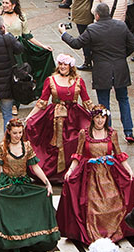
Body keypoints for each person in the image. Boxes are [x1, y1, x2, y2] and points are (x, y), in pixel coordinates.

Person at [56, 106, 134, 244]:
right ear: (92, 119)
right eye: (97, 117)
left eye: (102, 117)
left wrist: (129, 169)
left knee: (115, 201)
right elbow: (78, 154)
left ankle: (114, 230)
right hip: (90, 174)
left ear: (106, 118)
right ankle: (94, 232)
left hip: (109, 173)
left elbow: (118, 154)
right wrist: (71, 170)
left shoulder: (112, 133)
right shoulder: (84, 133)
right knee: (92, 205)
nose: (100, 120)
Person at [60, 3, 134, 142]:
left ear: (97, 15)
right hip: (120, 68)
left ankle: (107, 131)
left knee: (104, 102)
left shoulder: (92, 29)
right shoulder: (121, 26)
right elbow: (133, 44)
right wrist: (121, 56)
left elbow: (76, 44)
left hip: (102, 69)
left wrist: (64, 33)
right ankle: (128, 131)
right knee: (123, 99)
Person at [0, 119, 60, 251]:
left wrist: (47, 182)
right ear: (9, 132)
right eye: (15, 133)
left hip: (23, 182)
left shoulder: (26, 146)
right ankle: (7, 240)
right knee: (5, 210)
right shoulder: (2, 147)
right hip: (7, 183)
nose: (18, 135)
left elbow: (35, 167)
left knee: (29, 209)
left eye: (20, 133)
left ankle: (26, 239)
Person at [25, 54, 93, 183]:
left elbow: (86, 101)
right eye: (60, 64)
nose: (62, 67)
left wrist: (97, 114)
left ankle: (70, 173)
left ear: (70, 66)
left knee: (74, 142)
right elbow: (42, 101)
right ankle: (52, 174)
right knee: (53, 145)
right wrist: (30, 116)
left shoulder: (78, 81)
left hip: (74, 117)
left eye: (65, 64)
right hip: (54, 117)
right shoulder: (51, 80)